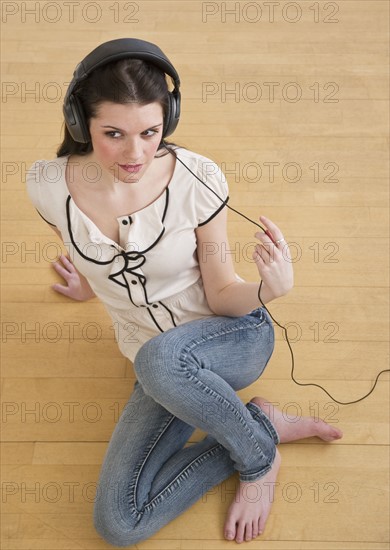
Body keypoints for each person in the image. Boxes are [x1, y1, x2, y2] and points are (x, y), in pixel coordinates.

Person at [25, 38, 343, 547]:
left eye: (151, 132)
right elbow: (79, 243)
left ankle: (258, 462)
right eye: (114, 134)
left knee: (156, 361)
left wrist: (267, 291)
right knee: (119, 524)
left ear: (167, 120)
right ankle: (259, 423)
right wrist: (87, 283)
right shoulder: (47, 185)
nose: (136, 153)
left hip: (230, 336)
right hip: (160, 366)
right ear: (81, 124)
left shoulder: (198, 179)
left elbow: (221, 292)